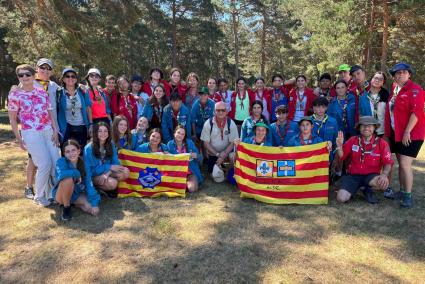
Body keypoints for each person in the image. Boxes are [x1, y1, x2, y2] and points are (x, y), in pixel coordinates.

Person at [8, 64, 60, 206]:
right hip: (31, 133)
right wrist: (19, 139)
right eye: (21, 75)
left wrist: (55, 131)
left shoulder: (42, 92)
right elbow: (12, 119)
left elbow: (50, 113)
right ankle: (39, 195)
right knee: (44, 163)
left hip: (48, 131)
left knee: (56, 162)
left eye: (27, 74)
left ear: (33, 75)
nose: (24, 77)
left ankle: (53, 194)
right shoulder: (15, 94)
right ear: (18, 77)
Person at [384, 62, 425, 208]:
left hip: (411, 134)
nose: (400, 74)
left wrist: (407, 131)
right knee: (401, 164)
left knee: (406, 164)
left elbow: (417, 112)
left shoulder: (416, 90)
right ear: (394, 76)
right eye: (397, 73)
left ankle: (408, 196)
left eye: (404, 72)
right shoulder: (395, 89)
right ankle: (402, 191)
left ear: (409, 74)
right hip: (397, 133)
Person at [336, 116, 393, 204]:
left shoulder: (382, 143)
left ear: (374, 128)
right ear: (359, 128)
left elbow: (388, 162)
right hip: (353, 176)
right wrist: (339, 146)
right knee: (341, 198)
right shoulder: (352, 140)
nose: (366, 128)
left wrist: (384, 175)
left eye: (369, 126)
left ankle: (368, 189)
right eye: (363, 125)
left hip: (371, 176)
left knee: (382, 183)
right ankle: (356, 189)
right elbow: (342, 156)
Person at [53, 139, 100, 221]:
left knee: (90, 208)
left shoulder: (84, 164)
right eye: (67, 151)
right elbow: (61, 175)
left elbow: (89, 184)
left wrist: (95, 204)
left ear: (79, 151)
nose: (71, 153)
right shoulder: (61, 161)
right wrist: (76, 173)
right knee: (68, 179)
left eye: (73, 150)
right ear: (64, 154)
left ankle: (74, 203)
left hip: (75, 194)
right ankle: (66, 208)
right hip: (60, 195)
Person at [84, 122, 129, 196]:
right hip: (94, 176)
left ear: (108, 133)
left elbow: (116, 163)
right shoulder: (88, 148)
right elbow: (89, 171)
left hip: (107, 172)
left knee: (126, 172)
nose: (103, 133)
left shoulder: (110, 144)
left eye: (105, 131)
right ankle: (98, 187)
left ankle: (106, 187)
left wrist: (107, 173)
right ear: (95, 132)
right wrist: (109, 167)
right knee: (113, 183)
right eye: (100, 131)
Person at [57, 67, 93, 149]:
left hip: (81, 126)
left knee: (81, 152)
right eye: (67, 76)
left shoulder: (83, 91)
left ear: (76, 79)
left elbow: (88, 108)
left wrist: (91, 124)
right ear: (63, 79)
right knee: (67, 151)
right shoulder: (59, 92)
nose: (70, 78)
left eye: (73, 76)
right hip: (66, 127)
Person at [201, 102, 239, 174]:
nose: (220, 112)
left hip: (227, 152)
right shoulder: (208, 123)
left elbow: (233, 142)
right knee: (212, 173)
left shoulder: (231, 123)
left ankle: (231, 174)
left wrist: (224, 154)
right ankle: (219, 166)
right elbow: (205, 143)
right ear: (214, 111)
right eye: (218, 110)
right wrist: (218, 155)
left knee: (232, 156)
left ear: (227, 111)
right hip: (213, 153)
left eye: (223, 110)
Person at [167, 125, 203, 192]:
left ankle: (183, 184)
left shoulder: (190, 143)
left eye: (182, 134)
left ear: (184, 136)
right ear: (174, 133)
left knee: (192, 189)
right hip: (177, 172)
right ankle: (181, 184)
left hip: (190, 171)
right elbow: (168, 161)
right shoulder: (169, 144)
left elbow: (200, 159)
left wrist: (196, 156)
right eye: (178, 133)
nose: (180, 135)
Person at [359, 71, 389, 136]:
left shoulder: (387, 96)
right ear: (371, 79)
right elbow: (360, 114)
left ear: (383, 83)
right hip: (368, 131)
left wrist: (387, 135)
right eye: (375, 78)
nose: (377, 80)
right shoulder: (363, 97)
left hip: (383, 132)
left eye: (380, 79)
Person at [310, 97, 339, 163]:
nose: (320, 109)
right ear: (314, 108)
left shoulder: (333, 121)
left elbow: (336, 141)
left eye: (323, 107)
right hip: (312, 156)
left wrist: (335, 159)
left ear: (326, 108)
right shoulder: (308, 121)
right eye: (318, 107)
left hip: (328, 156)